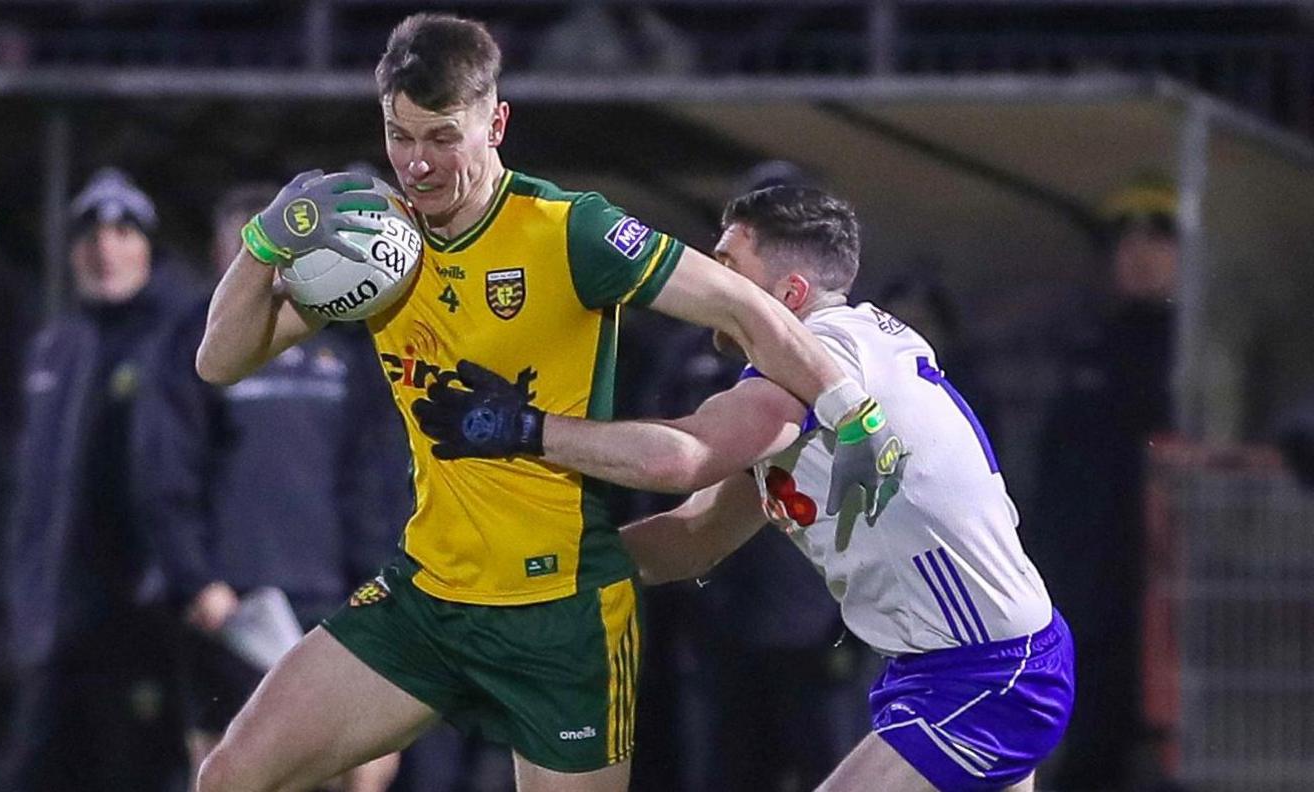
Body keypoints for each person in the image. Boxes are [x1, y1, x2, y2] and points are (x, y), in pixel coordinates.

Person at [192, 13, 878, 792]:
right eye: (399, 134)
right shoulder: (380, 243)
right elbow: (219, 360)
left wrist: (853, 416)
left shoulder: (572, 232)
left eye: (442, 137)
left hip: (563, 619)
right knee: (229, 778)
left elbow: (747, 311)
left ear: (496, 123)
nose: (416, 165)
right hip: (429, 597)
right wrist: (266, 243)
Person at [416, 186, 1075, 792]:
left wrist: (522, 429)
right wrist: (550, 569)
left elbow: (683, 456)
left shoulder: (815, 361)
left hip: (988, 672)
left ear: (787, 295)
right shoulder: (854, 351)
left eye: (726, 263)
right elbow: (694, 539)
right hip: (957, 664)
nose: (704, 280)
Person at [132, 184, 408, 791]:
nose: (261, 258)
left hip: (332, 595)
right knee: (229, 766)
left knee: (364, 761)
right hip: (234, 601)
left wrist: (378, 578)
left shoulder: (341, 340)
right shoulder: (189, 344)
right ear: (219, 252)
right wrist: (196, 580)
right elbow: (164, 470)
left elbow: (370, 474)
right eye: (245, 246)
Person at [2, 167, 195, 792]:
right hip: (62, 615)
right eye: (90, 233)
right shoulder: (58, 346)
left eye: (122, 231)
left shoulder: (181, 341)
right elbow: (34, 496)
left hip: (148, 616)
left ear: (148, 246)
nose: (104, 249)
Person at [1029, 176, 1178, 790]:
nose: (1138, 252)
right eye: (1123, 239)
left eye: (1159, 235)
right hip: (1093, 599)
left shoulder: (1201, 353)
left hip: (1174, 595)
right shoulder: (1088, 349)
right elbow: (1055, 483)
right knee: (1089, 753)